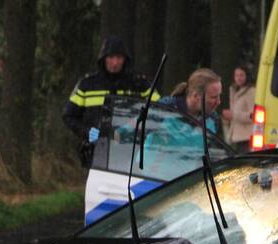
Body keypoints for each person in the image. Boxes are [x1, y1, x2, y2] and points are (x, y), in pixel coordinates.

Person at [63, 35, 157, 167]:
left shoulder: (139, 84)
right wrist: (86, 131)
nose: (115, 63)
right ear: (103, 59)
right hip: (96, 152)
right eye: (111, 57)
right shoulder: (87, 85)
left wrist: (139, 128)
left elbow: (159, 111)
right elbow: (68, 116)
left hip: (131, 153)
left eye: (119, 58)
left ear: (125, 59)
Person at [158, 68, 223, 135]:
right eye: (214, 97)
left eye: (219, 96)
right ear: (195, 96)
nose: (218, 102)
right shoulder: (165, 108)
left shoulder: (212, 119)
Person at [222, 65, 256, 153]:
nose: (238, 78)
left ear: (247, 76)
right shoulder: (234, 90)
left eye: (241, 75)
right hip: (235, 137)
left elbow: (253, 115)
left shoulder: (251, 91)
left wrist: (233, 115)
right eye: (236, 75)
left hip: (246, 137)